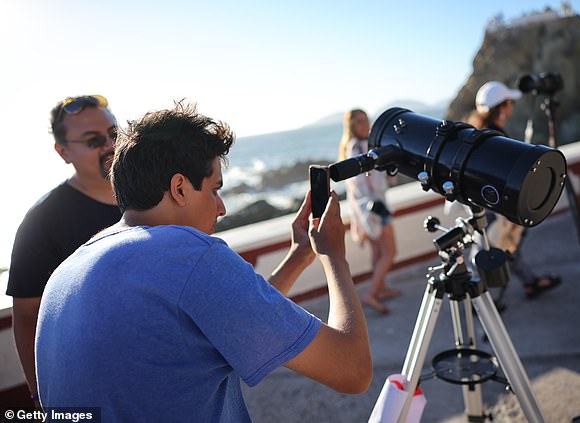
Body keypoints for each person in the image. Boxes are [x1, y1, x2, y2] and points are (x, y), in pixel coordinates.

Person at [35, 102, 372, 422]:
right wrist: (334, 256)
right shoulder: (190, 255)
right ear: (179, 188)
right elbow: (353, 371)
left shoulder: (68, 270)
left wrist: (300, 256)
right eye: (214, 189)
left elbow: (236, 315)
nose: (222, 207)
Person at [6, 95, 122, 405]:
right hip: (89, 386)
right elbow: (27, 314)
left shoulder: (153, 195)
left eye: (114, 133)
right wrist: (39, 395)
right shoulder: (43, 220)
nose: (110, 145)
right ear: (63, 152)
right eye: (93, 140)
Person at [468, 81, 561, 300]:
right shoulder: (497, 137)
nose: (512, 107)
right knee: (489, 248)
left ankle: (529, 281)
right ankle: (476, 298)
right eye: (509, 102)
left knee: (502, 246)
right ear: (501, 106)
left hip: (479, 201)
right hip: (494, 205)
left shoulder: (478, 132)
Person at [338, 109, 399, 315]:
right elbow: (365, 184)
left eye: (367, 120)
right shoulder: (358, 147)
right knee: (390, 252)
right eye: (360, 121)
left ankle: (380, 289)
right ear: (352, 125)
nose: (366, 124)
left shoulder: (354, 146)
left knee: (378, 251)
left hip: (365, 209)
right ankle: (372, 293)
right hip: (374, 208)